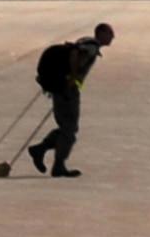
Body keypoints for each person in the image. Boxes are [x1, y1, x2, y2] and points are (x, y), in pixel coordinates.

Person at [28, 23, 115, 178]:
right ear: (100, 33)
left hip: (63, 87)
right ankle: (58, 164)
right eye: (109, 33)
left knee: (67, 127)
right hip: (67, 89)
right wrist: (73, 78)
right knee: (69, 128)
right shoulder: (91, 47)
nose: (112, 37)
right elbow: (75, 54)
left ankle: (40, 150)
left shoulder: (86, 41)